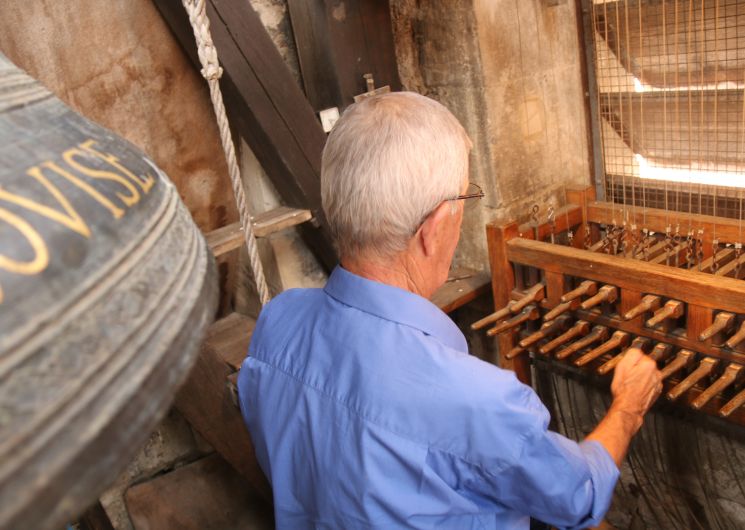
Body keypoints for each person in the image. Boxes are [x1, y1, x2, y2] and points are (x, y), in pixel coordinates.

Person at [237, 91, 662, 529]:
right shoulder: (477, 402)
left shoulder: (278, 322)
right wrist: (629, 404)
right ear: (434, 230)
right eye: (465, 199)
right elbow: (578, 496)